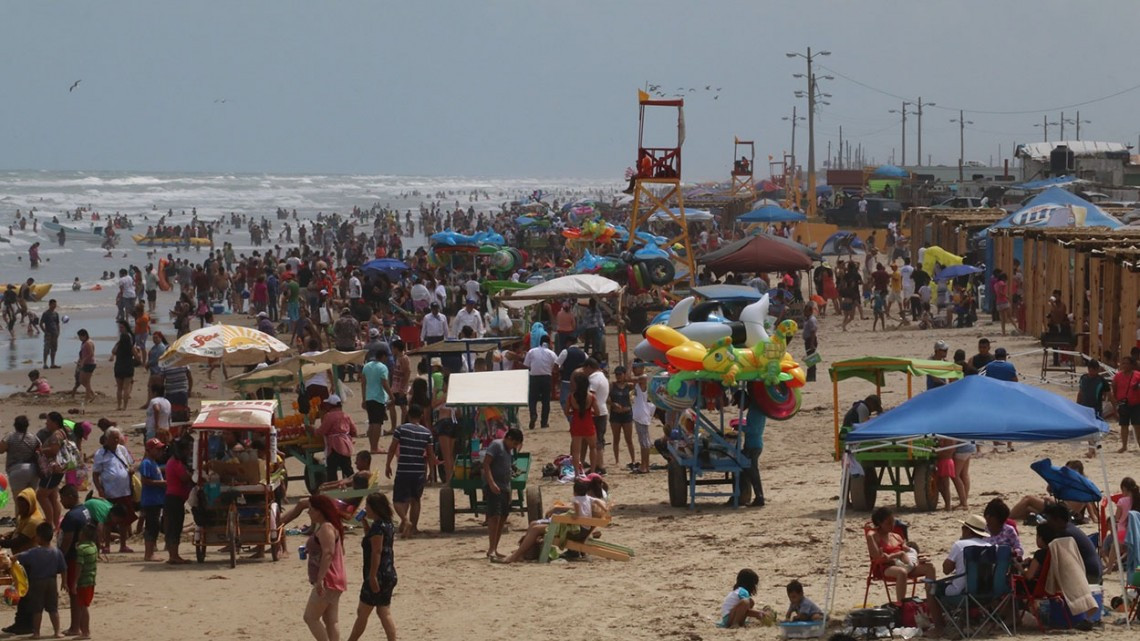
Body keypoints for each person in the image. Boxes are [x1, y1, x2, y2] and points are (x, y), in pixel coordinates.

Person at [926, 515, 993, 636]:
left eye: (963, 528)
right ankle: (963, 623)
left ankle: (939, 627)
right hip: (987, 593)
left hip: (963, 593)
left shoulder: (960, 545)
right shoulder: (990, 547)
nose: (962, 530)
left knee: (931, 587)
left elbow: (946, 570)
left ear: (968, 530)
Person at [346, 493, 398, 641]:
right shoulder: (387, 524)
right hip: (388, 573)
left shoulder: (378, 528)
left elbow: (376, 551)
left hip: (378, 574)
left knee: (362, 612)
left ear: (374, 507)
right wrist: (364, 522)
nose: (365, 508)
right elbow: (373, 539)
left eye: (367, 506)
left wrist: (373, 576)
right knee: (383, 611)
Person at [385, 405, 437, 538]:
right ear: (421, 416)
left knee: (398, 500)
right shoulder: (427, 433)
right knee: (416, 500)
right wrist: (432, 471)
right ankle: (413, 527)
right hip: (419, 470)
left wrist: (388, 464)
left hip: (404, 469)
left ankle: (405, 520)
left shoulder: (400, 429)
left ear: (408, 415)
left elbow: (392, 448)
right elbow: (430, 454)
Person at [866, 507, 935, 604]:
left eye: (893, 521)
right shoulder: (875, 537)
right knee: (901, 572)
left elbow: (909, 552)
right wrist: (869, 536)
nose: (892, 525)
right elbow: (876, 558)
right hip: (886, 567)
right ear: (880, 523)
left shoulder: (896, 536)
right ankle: (901, 604)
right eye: (888, 523)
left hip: (904, 564)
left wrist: (918, 558)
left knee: (930, 568)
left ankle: (932, 601)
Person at [303, 495, 348, 641]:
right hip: (336, 579)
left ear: (319, 511)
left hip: (329, 579)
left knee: (310, 617)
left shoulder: (326, 527)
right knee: (330, 620)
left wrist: (320, 579)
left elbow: (328, 553)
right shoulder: (329, 527)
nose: (308, 512)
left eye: (311, 509)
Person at [14, 522, 65, 639]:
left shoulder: (34, 552)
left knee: (37, 609)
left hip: (37, 582)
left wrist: (10, 559)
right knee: (53, 609)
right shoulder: (56, 552)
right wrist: (64, 582)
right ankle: (57, 632)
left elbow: (19, 556)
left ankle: (36, 633)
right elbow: (63, 569)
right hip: (52, 582)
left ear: (40, 538)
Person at [91, 427, 134, 553]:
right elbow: (95, 474)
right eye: (113, 438)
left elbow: (130, 464)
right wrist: (99, 489)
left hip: (125, 490)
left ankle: (123, 545)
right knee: (108, 519)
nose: (116, 440)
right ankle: (107, 545)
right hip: (110, 491)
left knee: (124, 520)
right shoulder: (100, 453)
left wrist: (130, 472)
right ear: (107, 439)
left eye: (117, 437)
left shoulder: (122, 449)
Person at [483, 428, 524, 561]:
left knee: (502, 518)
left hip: (505, 487)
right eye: (515, 443)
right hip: (495, 487)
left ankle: (495, 547)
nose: (514, 446)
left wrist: (510, 492)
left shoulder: (509, 451)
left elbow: (508, 471)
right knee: (494, 516)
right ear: (509, 438)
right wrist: (491, 483)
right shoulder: (496, 445)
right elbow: (486, 464)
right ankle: (491, 549)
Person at [1042, 502, 1102, 584]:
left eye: (1049, 520)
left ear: (1058, 520)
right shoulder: (1070, 528)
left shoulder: (1065, 534)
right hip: (1095, 572)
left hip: (1089, 575)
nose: (1048, 523)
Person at [57, 485, 89, 635]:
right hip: (85, 557)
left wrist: (58, 558)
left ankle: (75, 627)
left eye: (62, 498)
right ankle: (81, 627)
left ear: (70, 497)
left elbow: (67, 541)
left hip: (73, 558)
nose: (61, 502)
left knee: (74, 593)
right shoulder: (85, 511)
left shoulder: (71, 517)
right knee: (80, 593)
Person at [163, 439, 193, 564]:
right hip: (175, 498)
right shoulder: (176, 462)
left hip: (173, 497)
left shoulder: (172, 462)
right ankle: (174, 555)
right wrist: (192, 474)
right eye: (187, 450)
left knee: (172, 527)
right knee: (175, 527)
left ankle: (173, 555)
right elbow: (184, 477)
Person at [317, 395, 358, 482]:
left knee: (332, 471)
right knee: (348, 469)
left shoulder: (329, 416)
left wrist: (312, 430)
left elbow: (321, 431)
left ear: (330, 406)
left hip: (334, 446)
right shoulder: (346, 415)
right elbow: (354, 431)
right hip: (346, 445)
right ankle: (355, 485)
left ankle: (333, 490)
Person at [1100, 477, 1140, 567]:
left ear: (1124, 489)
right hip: (1136, 529)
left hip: (1123, 530)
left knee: (1114, 548)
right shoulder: (1138, 499)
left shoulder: (1122, 501)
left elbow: (1117, 517)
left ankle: (1109, 567)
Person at [138, 438, 166, 561]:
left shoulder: (154, 462)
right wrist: (162, 483)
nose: (160, 452)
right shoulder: (146, 463)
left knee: (155, 526)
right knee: (151, 526)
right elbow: (145, 481)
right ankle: (148, 554)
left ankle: (151, 552)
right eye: (157, 449)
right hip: (150, 500)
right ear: (149, 450)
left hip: (156, 499)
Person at [1, 415, 41, 500]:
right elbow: (40, 450)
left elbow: (1, 450)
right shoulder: (33, 437)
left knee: (19, 501)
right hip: (33, 470)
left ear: (15, 426)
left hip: (16, 470)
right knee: (30, 500)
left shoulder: (10, 436)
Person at [523, 334, 557, 430]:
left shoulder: (532, 351)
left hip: (534, 377)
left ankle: (533, 414)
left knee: (532, 399)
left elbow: (526, 364)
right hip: (546, 377)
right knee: (546, 401)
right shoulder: (551, 353)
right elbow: (556, 365)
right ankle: (544, 422)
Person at [567, 371, 598, 477]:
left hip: (576, 423)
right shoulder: (591, 396)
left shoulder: (571, 397)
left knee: (576, 452)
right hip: (588, 422)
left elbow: (566, 411)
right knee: (593, 447)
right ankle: (593, 471)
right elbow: (597, 412)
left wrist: (573, 412)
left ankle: (576, 473)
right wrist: (590, 412)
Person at [361, 353, 392, 454]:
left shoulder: (366, 366)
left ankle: (372, 446)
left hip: (369, 397)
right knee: (377, 423)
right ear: (383, 357)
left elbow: (363, 383)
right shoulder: (383, 367)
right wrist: (392, 396)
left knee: (371, 422)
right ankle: (375, 447)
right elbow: (384, 383)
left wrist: (364, 398)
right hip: (378, 397)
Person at [72, 524, 98, 640]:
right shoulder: (93, 546)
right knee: (84, 605)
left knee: (83, 606)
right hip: (91, 580)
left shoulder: (82, 549)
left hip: (83, 581)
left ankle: (85, 632)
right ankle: (85, 631)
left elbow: (79, 566)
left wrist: (75, 582)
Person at [585, 358, 610, 473]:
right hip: (602, 410)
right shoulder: (603, 377)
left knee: (595, 441)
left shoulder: (593, 378)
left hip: (595, 412)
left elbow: (591, 396)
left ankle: (598, 466)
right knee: (599, 439)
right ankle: (600, 464)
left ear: (589, 367)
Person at [608, 366, 635, 469]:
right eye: (617, 374)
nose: (618, 376)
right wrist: (613, 404)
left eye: (620, 374)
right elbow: (607, 398)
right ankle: (617, 460)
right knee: (616, 438)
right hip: (615, 414)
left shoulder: (629, 386)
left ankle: (633, 459)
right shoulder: (612, 385)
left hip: (627, 414)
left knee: (629, 439)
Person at [110, 320, 139, 411]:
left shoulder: (119, 346)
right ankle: (125, 406)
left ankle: (119, 405)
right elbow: (137, 357)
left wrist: (118, 343)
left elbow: (113, 351)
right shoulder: (131, 347)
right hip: (128, 366)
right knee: (126, 388)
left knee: (119, 388)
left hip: (119, 366)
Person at [1112, 356, 1140, 452]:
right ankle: (1124, 446)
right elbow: (1114, 388)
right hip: (1123, 403)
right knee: (1124, 425)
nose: (1124, 365)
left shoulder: (1137, 375)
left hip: (1136, 404)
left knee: (1137, 425)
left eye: (1127, 363)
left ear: (1132, 365)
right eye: (1123, 363)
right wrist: (1116, 401)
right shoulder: (1118, 376)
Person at [556, 334, 588, 414]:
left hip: (567, 381)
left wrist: (559, 373)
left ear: (568, 342)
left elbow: (556, 365)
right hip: (579, 382)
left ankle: (571, 419)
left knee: (564, 401)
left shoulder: (565, 352)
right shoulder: (584, 354)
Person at [631, 360, 653, 474]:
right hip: (640, 412)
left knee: (644, 442)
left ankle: (645, 466)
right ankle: (645, 465)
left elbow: (627, 379)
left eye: (635, 368)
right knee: (643, 441)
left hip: (642, 413)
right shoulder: (640, 380)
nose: (633, 370)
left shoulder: (643, 378)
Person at [70, 329, 96, 403]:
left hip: (89, 364)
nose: (80, 338)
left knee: (87, 381)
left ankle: (87, 397)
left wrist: (84, 360)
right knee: (81, 380)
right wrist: (80, 361)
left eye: (80, 337)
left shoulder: (88, 343)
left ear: (84, 335)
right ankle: (92, 394)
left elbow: (91, 354)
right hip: (85, 363)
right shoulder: (84, 343)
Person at [40, 299, 60, 369]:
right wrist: (45, 331)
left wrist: (58, 332)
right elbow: (41, 323)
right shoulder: (46, 313)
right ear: (50, 304)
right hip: (48, 334)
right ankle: (45, 364)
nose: (55, 306)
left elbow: (57, 324)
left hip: (55, 334)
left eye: (55, 304)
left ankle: (52, 363)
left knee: (54, 349)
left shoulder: (56, 314)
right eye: (53, 304)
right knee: (46, 349)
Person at [801, 303, 819, 382]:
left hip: (811, 340)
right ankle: (810, 376)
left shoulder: (811, 320)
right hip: (807, 340)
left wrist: (812, 344)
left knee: (811, 358)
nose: (804, 313)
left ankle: (811, 376)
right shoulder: (807, 319)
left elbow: (813, 332)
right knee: (809, 358)